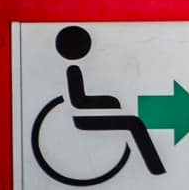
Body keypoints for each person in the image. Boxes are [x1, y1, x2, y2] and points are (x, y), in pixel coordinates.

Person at [55, 25, 166, 175]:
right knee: (134, 123)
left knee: (132, 121)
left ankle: (156, 167)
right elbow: (79, 101)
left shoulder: (74, 68)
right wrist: (110, 101)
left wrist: (110, 101)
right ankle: (156, 168)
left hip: (85, 114)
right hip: (82, 118)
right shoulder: (73, 70)